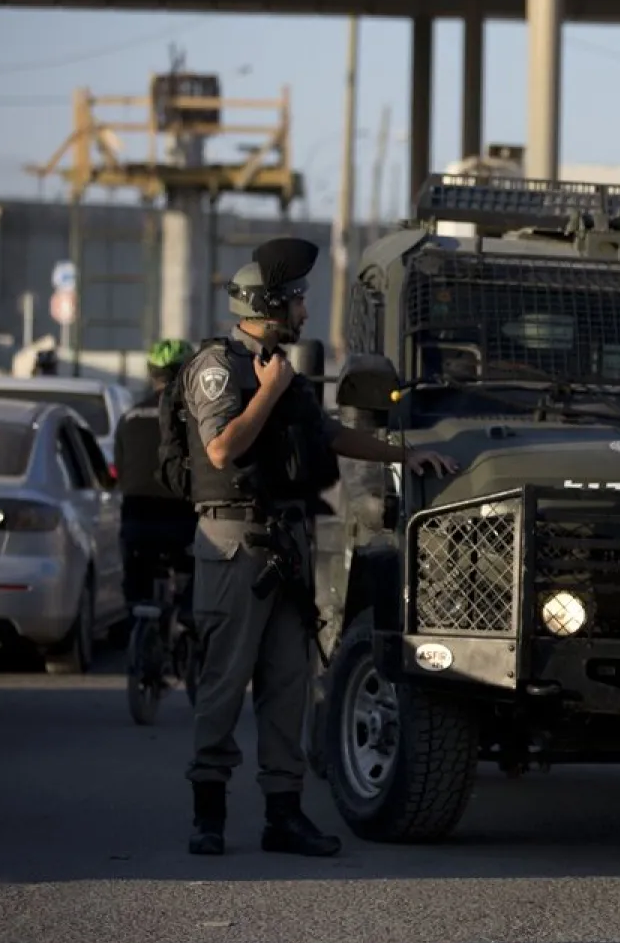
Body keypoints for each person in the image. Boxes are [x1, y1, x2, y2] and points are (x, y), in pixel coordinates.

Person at [182, 236, 459, 857]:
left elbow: (329, 434)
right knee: (225, 683)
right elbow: (223, 447)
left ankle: (284, 815)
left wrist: (406, 453)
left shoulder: (278, 368)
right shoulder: (220, 367)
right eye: (298, 300)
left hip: (286, 541)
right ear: (270, 304)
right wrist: (269, 391)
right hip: (234, 541)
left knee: (288, 684)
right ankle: (209, 814)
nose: (305, 312)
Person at [114, 339, 201, 615]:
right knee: (204, 577)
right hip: (182, 523)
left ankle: (135, 623)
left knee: (136, 583)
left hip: (136, 522)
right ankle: (188, 628)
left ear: (152, 375)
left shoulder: (129, 417)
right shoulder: (195, 418)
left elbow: (120, 469)